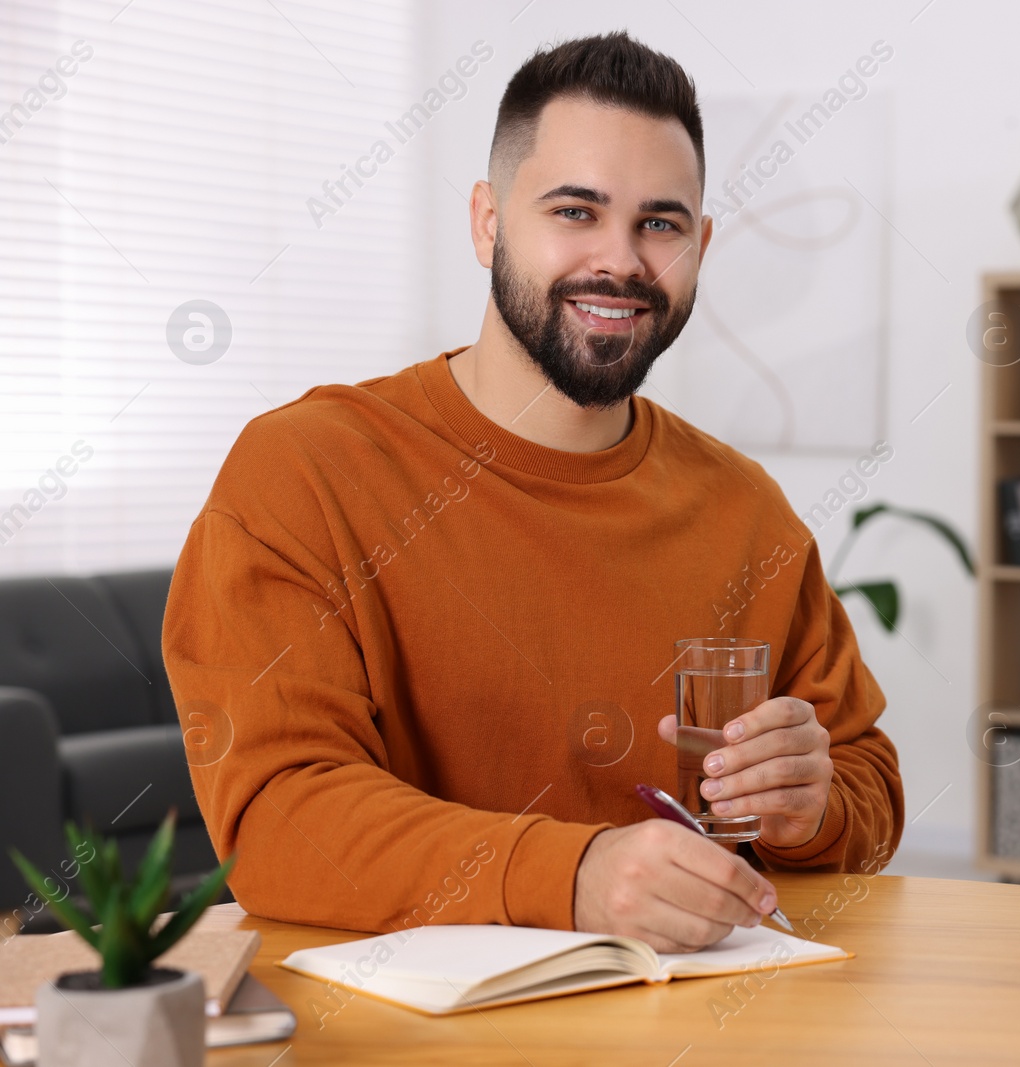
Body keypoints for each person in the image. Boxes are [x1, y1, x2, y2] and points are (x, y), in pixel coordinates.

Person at [163, 31, 903, 954]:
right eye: (575, 211)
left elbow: (866, 774)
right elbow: (277, 817)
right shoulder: (303, 472)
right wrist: (577, 876)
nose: (621, 262)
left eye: (660, 224)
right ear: (487, 221)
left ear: (700, 247)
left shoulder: (747, 510)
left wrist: (815, 802)